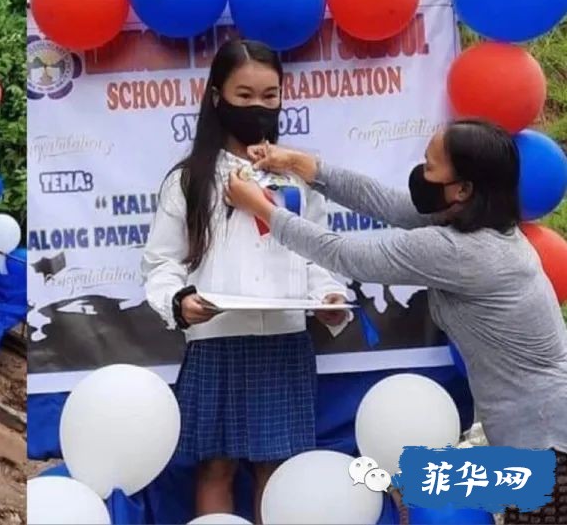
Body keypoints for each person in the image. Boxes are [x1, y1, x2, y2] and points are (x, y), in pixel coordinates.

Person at [225, 120, 567, 523]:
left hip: (547, 444)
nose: (421, 175)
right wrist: (299, 164)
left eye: (429, 166)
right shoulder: (472, 223)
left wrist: (263, 208)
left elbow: (345, 255)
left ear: (462, 189)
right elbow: (382, 201)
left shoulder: (462, 252)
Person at [141, 39, 352, 523]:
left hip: (284, 340)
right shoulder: (190, 180)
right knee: (215, 466)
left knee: (276, 471)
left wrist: (329, 295)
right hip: (215, 341)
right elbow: (161, 263)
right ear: (217, 97)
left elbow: (319, 253)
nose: (258, 108)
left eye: (269, 96)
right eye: (244, 96)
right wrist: (178, 301)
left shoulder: (298, 178)